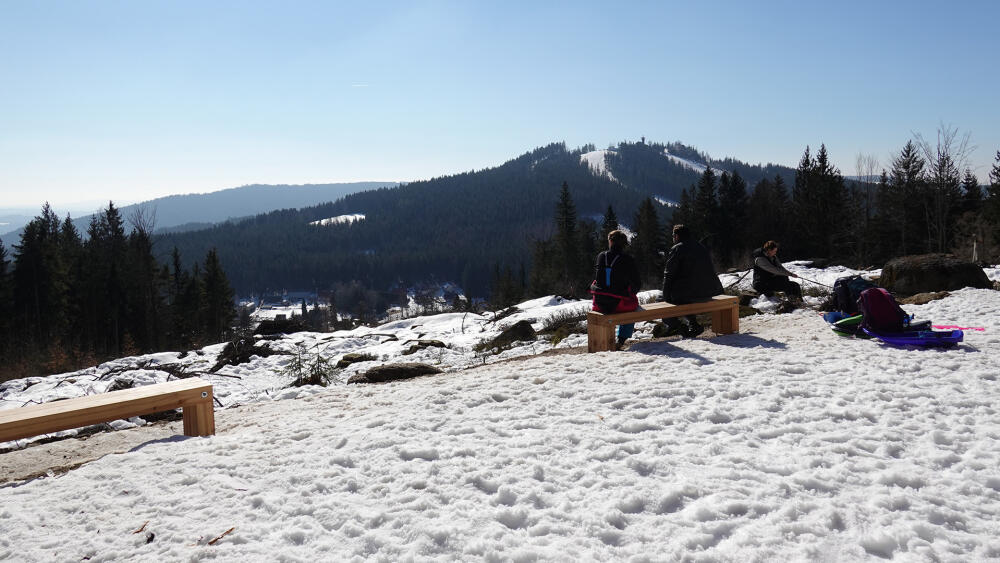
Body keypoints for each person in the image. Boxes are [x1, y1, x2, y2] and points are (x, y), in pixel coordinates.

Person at [661, 224, 724, 337]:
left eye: (673, 236)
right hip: (707, 291)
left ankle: (676, 326)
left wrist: (665, 297)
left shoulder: (677, 248)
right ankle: (693, 324)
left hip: (688, 294)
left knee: (661, 300)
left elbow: (668, 274)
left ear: (676, 236)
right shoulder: (701, 247)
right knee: (685, 293)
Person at [590, 230, 641, 349]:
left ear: (611, 242)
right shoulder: (628, 259)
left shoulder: (601, 256)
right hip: (619, 304)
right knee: (632, 306)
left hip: (599, 303)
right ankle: (621, 340)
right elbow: (636, 284)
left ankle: (600, 341)